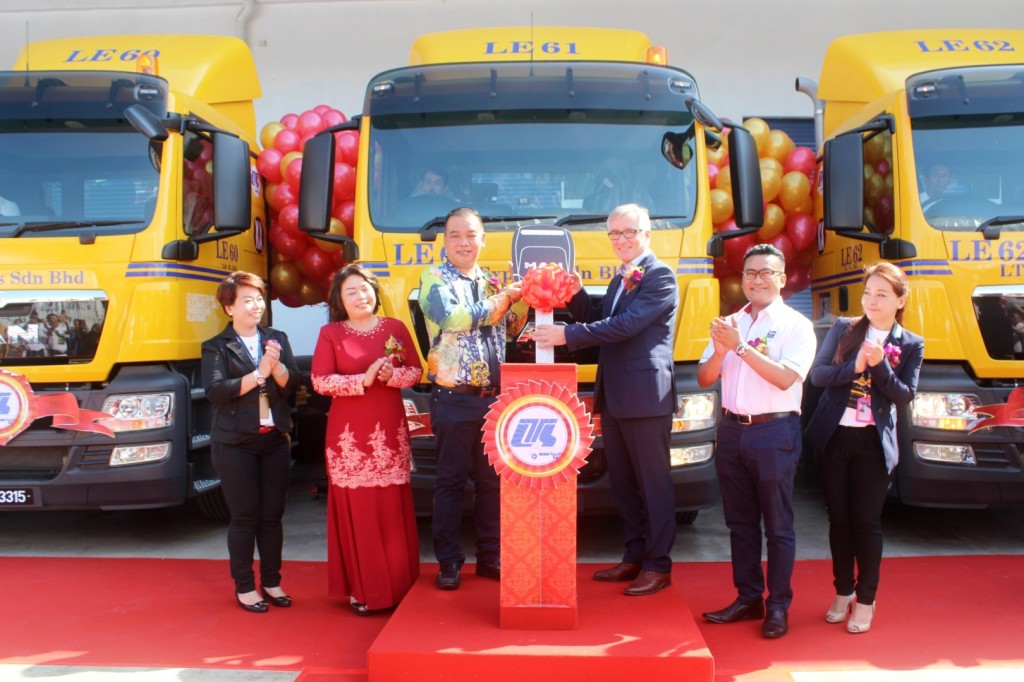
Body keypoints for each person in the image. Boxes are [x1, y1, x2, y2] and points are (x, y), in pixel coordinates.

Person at [534, 203, 680, 596]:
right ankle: (634, 556)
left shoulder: (660, 276)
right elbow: (600, 318)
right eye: (614, 234)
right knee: (623, 482)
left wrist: (568, 336)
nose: (621, 240)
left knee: (653, 484)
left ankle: (658, 565)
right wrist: (576, 294)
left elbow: (626, 326)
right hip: (615, 395)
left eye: (628, 232)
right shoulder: (621, 280)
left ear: (647, 234)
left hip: (647, 396)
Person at [697, 243, 816, 639]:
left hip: (774, 431)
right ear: (742, 279)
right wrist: (719, 351)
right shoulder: (729, 322)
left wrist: (740, 347)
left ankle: (778, 605)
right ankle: (748, 597)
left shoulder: (797, 325)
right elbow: (705, 377)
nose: (757, 279)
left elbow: (785, 378)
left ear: (782, 279)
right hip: (732, 430)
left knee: (778, 525)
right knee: (740, 523)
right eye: (751, 273)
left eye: (766, 273)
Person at [804, 262, 923, 634]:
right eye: (868, 292)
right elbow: (818, 375)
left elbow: (904, 397)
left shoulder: (911, 343)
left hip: (873, 444)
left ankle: (866, 599)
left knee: (866, 522)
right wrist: (855, 366)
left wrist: (881, 367)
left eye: (881, 294)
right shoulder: (843, 328)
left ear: (899, 301)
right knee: (838, 519)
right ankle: (843, 590)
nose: (872, 300)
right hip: (835, 438)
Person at [418, 206, 526, 590]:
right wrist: (505, 299)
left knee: (492, 483)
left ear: (483, 240)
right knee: (449, 482)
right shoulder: (433, 278)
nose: (463, 242)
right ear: (445, 241)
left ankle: (491, 557)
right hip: (453, 397)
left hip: (495, 398)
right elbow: (455, 319)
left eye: (471, 235)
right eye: (455, 235)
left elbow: (513, 328)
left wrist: (530, 292)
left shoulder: (494, 281)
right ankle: (448, 562)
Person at [311, 264, 423, 615]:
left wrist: (391, 375)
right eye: (351, 292)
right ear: (339, 301)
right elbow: (320, 381)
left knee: (391, 503)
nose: (360, 296)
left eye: (364, 289)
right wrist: (364, 378)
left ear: (375, 291)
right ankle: (364, 588)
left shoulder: (395, 327)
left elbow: (417, 371)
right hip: (349, 434)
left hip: (389, 429)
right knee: (358, 506)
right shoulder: (331, 333)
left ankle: (400, 586)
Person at [201, 271, 301, 614]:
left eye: (259, 298)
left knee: (272, 516)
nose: (255, 305)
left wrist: (276, 370)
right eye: (246, 299)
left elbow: (293, 385)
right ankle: (244, 586)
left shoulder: (276, 337)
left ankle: (271, 581)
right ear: (229, 307)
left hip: (274, 439)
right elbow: (215, 392)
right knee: (245, 516)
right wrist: (257, 374)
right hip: (234, 443)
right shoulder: (216, 346)